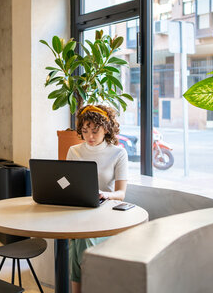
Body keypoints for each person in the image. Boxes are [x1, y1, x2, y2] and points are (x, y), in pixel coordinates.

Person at [66, 104, 128, 293]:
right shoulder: (74, 151)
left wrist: (106, 194)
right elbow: (67, 183)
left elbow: (121, 193)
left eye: (95, 131)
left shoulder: (118, 153)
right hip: (79, 211)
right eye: (85, 131)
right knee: (77, 241)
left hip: (105, 213)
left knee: (79, 242)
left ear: (106, 129)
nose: (89, 137)